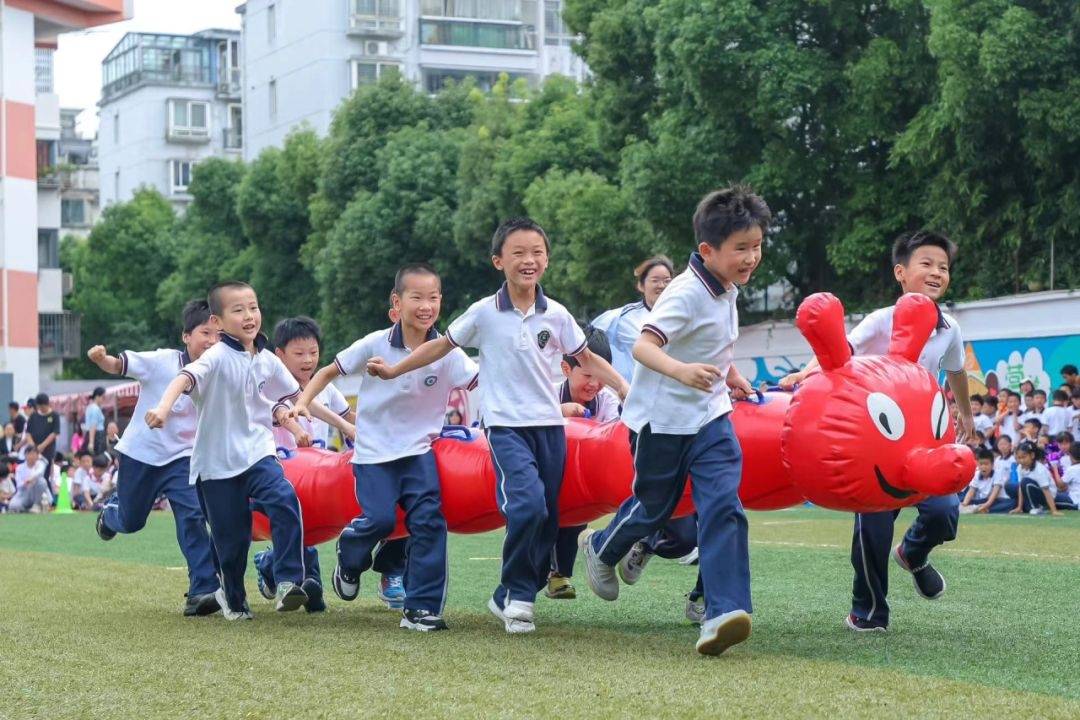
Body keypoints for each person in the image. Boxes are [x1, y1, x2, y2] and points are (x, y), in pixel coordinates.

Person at [366, 220, 628, 635]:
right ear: (498, 261)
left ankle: (508, 593)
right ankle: (520, 596)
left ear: (546, 258)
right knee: (526, 506)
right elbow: (440, 346)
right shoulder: (483, 313)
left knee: (549, 517)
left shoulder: (556, 314)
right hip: (506, 429)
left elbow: (587, 359)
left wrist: (625, 388)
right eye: (518, 253)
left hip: (550, 429)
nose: (529, 260)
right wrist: (396, 368)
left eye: (537, 252)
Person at [577, 187, 766, 656]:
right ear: (708, 251)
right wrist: (682, 372)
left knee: (722, 506)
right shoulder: (684, 292)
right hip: (659, 422)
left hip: (711, 416)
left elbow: (714, 342)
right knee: (654, 507)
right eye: (741, 248)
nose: (751, 257)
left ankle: (722, 612)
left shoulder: (728, 285)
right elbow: (644, 347)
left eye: (757, 246)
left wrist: (732, 374)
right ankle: (601, 547)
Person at [781, 230, 975, 633]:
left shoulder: (950, 328)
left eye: (944, 267)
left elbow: (955, 371)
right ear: (901, 273)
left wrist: (967, 417)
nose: (937, 272)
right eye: (927, 264)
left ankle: (914, 553)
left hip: (924, 438)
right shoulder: (880, 321)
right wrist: (804, 372)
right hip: (878, 440)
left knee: (945, 511)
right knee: (873, 527)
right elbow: (839, 355)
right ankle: (868, 611)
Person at [294, 263, 479, 632]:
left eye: (434, 297)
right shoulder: (375, 343)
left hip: (420, 452)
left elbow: (486, 385)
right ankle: (350, 554)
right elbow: (329, 372)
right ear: (397, 301)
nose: (426, 306)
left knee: (428, 523)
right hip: (374, 452)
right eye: (417, 297)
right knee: (379, 519)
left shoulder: (448, 352)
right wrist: (303, 403)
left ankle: (421, 609)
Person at [147, 283, 320, 620]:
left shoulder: (267, 360)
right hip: (216, 466)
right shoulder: (215, 357)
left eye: (253, 307)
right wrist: (164, 408)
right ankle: (234, 598)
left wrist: (294, 421)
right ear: (219, 321)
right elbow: (182, 379)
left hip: (257, 453)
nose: (249, 316)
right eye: (238, 310)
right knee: (233, 543)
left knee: (284, 499)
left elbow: (285, 397)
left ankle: (287, 581)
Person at [86, 300, 223, 616]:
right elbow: (119, 365)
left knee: (192, 514)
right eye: (206, 333)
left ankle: (202, 589)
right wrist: (101, 358)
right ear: (186, 336)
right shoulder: (162, 361)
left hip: (183, 458)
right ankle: (110, 515)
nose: (213, 341)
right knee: (132, 521)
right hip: (141, 455)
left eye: (219, 335)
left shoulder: (219, 371)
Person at [253, 315, 361, 614]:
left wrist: (372, 427)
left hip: (317, 471)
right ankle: (304, 579)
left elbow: (350, 417)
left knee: (308, 523)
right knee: (295, 521)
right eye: (299, 353)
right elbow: (299, 407)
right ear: (280, 355)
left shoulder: (324, 387)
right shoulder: (271, 388)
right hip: (282, 469)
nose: (308, 360)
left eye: (313, 352)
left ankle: (274, 565)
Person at [546, 326, 622, 600]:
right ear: (567, 369)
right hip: (547, 474)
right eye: (587, 375)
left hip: (583, 480)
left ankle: (559, 575)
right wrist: (559, 413)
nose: (594, 384)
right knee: (541, 523)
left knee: (576, 520)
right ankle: (537, 572)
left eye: (600, 376)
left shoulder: (607, 402)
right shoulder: (549, 395)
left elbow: (612, 437)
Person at [591, 256, 675, 381]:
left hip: (677, 395)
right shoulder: (623, 317)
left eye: (667, 281)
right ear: (641, 286)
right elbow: (587, 342)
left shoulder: (683, 316)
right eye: (655, 280)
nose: (661, 285)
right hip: (640, 396)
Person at [1011, 441, 1060, 516]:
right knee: (1011, 486)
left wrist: (1054, 510)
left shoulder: (1040, 469)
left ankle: (1037, 507)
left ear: (1032, 455)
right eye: (1019, 458)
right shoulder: (1019, 468)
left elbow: (1046, 490)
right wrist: (1019, 507)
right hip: (1033, 491)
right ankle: (1027, 507)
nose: (1021, 460)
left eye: (1024, 457)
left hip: (1047, 496)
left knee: (1026, 482)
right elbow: (1021, 488)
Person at [959, 449, 1012, 514]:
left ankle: (980, 509)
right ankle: (978, 509)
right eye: (981, 464)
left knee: (1011, 503)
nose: (983, 467)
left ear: (992, 465)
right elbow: (971, 491)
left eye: (986, 464)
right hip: (982, 500)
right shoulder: (976, 474)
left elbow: (995, 493)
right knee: (964, 501)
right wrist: (964, 504)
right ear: (978, 464)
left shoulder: (998, 473)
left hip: (996, 500)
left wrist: (986, 505)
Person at [24, 393, 60, 485]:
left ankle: (46, 495)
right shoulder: (33, 416)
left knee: (45, 474)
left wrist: (42, 445)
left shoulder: (54, 415)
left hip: (47, 449)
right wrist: (33, 446)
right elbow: (28, 432)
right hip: (34, 450)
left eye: (41, 406)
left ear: (46, 404)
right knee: (32, 473)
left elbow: (54, 433)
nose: (40, 408)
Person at [9, 446, 49, 513]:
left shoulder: (40, 464)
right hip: (24, 492)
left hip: (37, 492)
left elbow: (40, 472)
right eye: (29, 454)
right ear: (25, 455)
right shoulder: (20, 467)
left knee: (41, 481)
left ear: (37, 455)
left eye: (33, 454)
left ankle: (37, 505)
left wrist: (31, 478)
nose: (31, 456)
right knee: (13, 505)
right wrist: (26, 483)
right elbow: (18, 484)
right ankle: (27, 510)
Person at [84, 387, 107, 455]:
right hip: (97, 435)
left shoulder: (89, 407)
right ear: (97, 396)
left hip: (91, 434)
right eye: (103, 397)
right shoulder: (95, 409)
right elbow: (93, 425)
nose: (103, 399)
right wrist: (91, 442)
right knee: (98, 458)